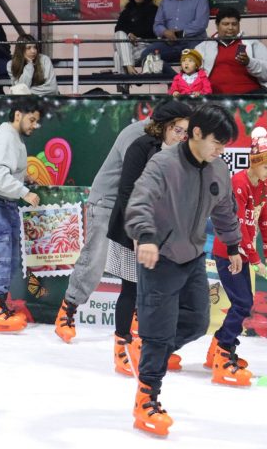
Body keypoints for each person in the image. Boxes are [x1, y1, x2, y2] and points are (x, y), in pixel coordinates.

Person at [124, 103, 242, 436]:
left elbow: (224, 211)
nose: (220, 150)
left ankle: (147, 351)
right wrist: (145, 236)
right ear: (196, 133)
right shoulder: (164, 163)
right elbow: (140, 200)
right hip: (159, 256)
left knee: (197, 321)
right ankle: (146, 399)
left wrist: (233, 245)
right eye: (216, 142)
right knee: (159, 332)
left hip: (191, 257)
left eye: (224, 145)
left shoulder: (217, 169)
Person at [106, 101, 192, 375]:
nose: (182, 136)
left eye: (186, 132)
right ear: (165, 127)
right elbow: (127, 190)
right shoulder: (141, 147)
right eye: (178, 130)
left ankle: (150, 347)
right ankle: (122, 346)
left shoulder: (183, 153)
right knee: (132, 288)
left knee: (160, 293)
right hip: (134, 230)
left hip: (164, 232)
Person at [53, 117, 150, 343]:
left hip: (136, 206)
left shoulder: (170, 138)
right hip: (108, 202)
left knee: (143, 262)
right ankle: (68, 309)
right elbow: (133, 175)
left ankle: (138, 317)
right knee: (95, 259)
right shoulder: (136, 133)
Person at [206, 126, 267, 386]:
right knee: (242, 303)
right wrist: (256, 258)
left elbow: (264, 220)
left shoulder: (261, 186)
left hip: (245, 254)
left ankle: (217, 349)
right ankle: (223, 353)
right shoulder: (239, 183)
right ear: (255, 162)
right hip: (229, 252)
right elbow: (237, 227)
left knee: (242, 302)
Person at [0, 101, 43, 332]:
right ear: (18, 114)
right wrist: (25, 192)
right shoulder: (6, 136)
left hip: (0, 201)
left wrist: (23, 180)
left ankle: (0, 304)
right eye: (32, 119)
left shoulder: (12, 137)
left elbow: (5, 172)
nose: (35, 125)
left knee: (7, 255)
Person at [140, 0, 209, 75]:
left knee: (196, 61)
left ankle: (182, 84)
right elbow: (157, 24)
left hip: (192, 43)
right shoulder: (165, 1)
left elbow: (200, 24)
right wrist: (165, 32)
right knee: (147, 55)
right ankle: (174, 80)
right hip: (169, 43)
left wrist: (177, 34)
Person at [195, 6, 267, 94]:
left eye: (234, 24)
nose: (230, 28)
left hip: (250, 96)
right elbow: (192, 73)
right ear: (217, 25)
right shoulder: (204, 46)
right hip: (214, 97)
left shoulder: (252, 43)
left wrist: (249, 62)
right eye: (225, 24)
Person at [114, 0, 158, 75]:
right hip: (128, 45)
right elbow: (118, 28)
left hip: (143, 46)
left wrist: (135, 36)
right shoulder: (127, 11)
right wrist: (129, 34)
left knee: (117, 55)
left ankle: (125, 84)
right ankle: (130, 69)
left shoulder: (154, 10)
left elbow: (152, 31)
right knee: (119, 34)